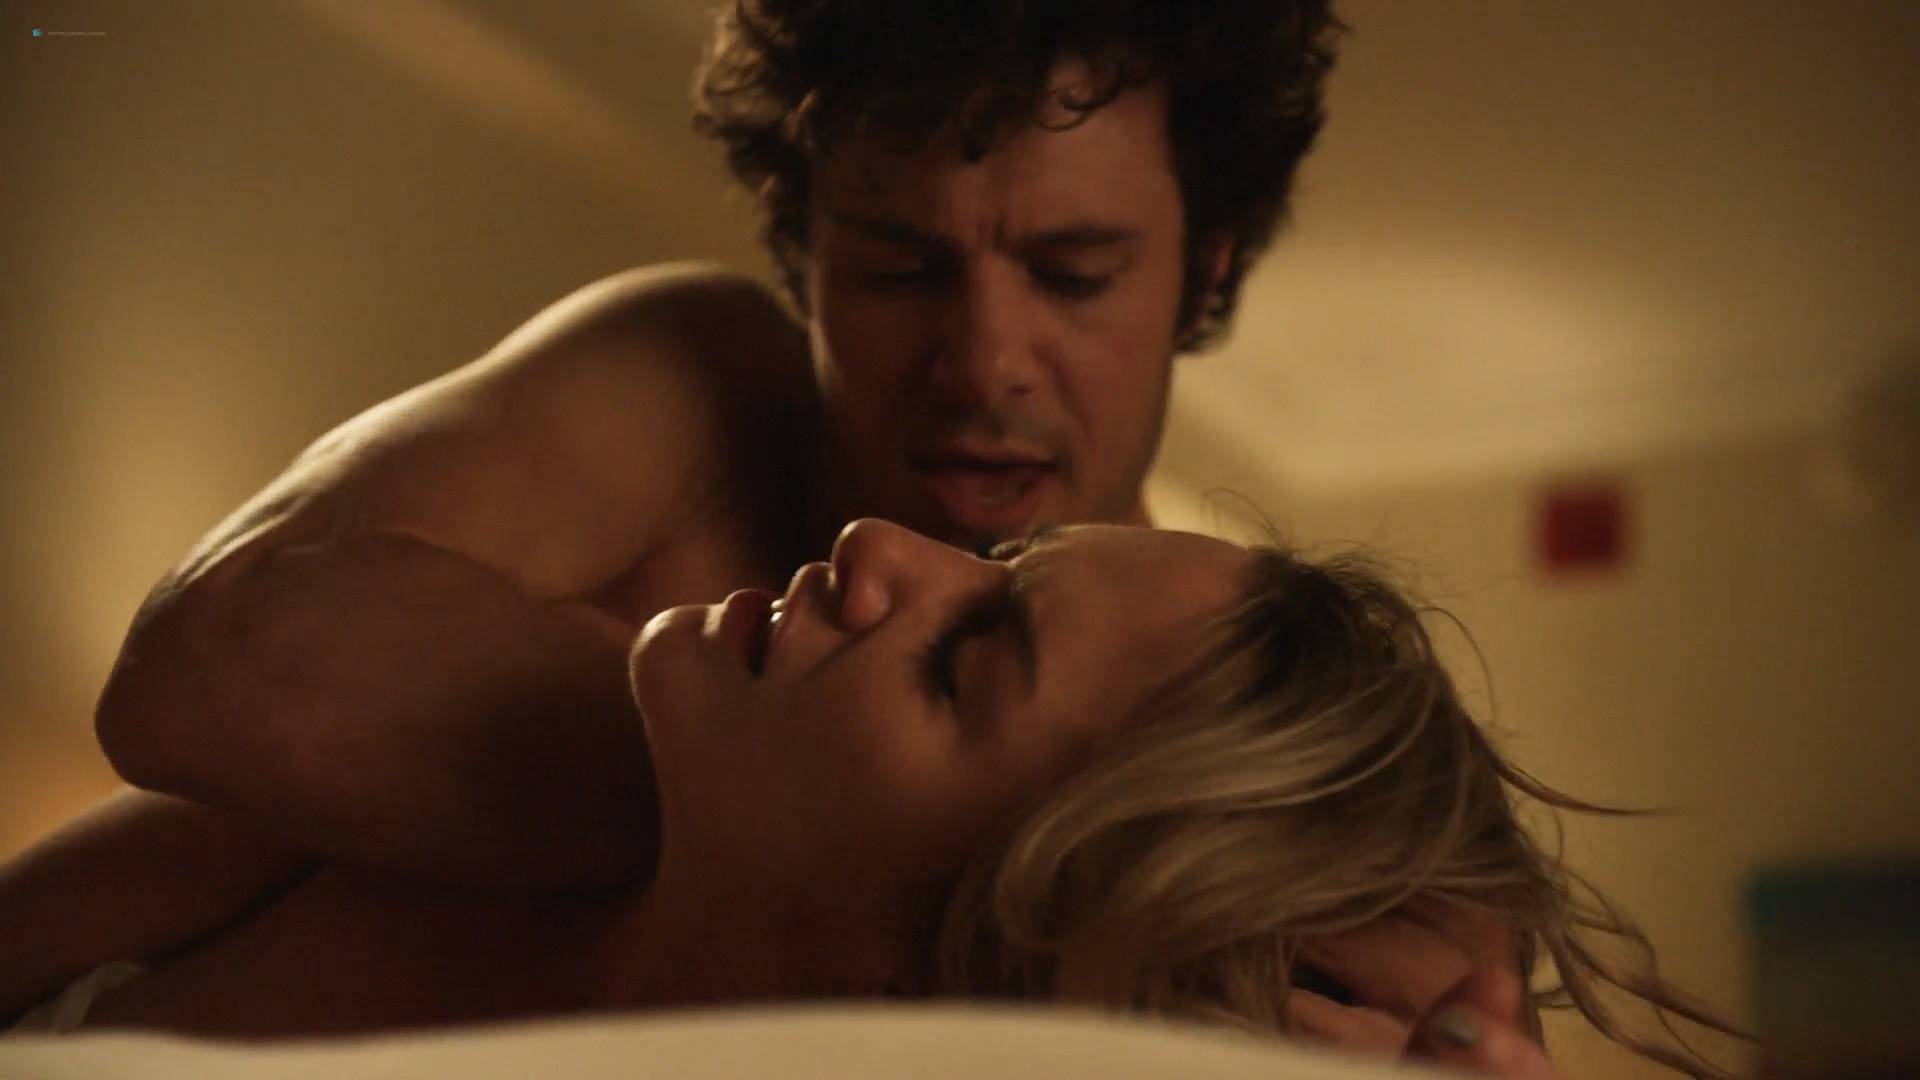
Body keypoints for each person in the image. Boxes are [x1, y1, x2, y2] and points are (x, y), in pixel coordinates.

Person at [0, 0, 1548, 1066]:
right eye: (898, 265)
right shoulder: (699, 454)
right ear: (804, 241)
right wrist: (775, 807)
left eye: (1074, 273)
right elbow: (212, 675)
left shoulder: (1291, 793)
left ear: (1205, 266)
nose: (983, 363)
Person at [5, 521, 1742, 1077]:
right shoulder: (398, 828)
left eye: (967, 657)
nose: (875, 546)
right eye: (995, 563)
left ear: (976, 947)